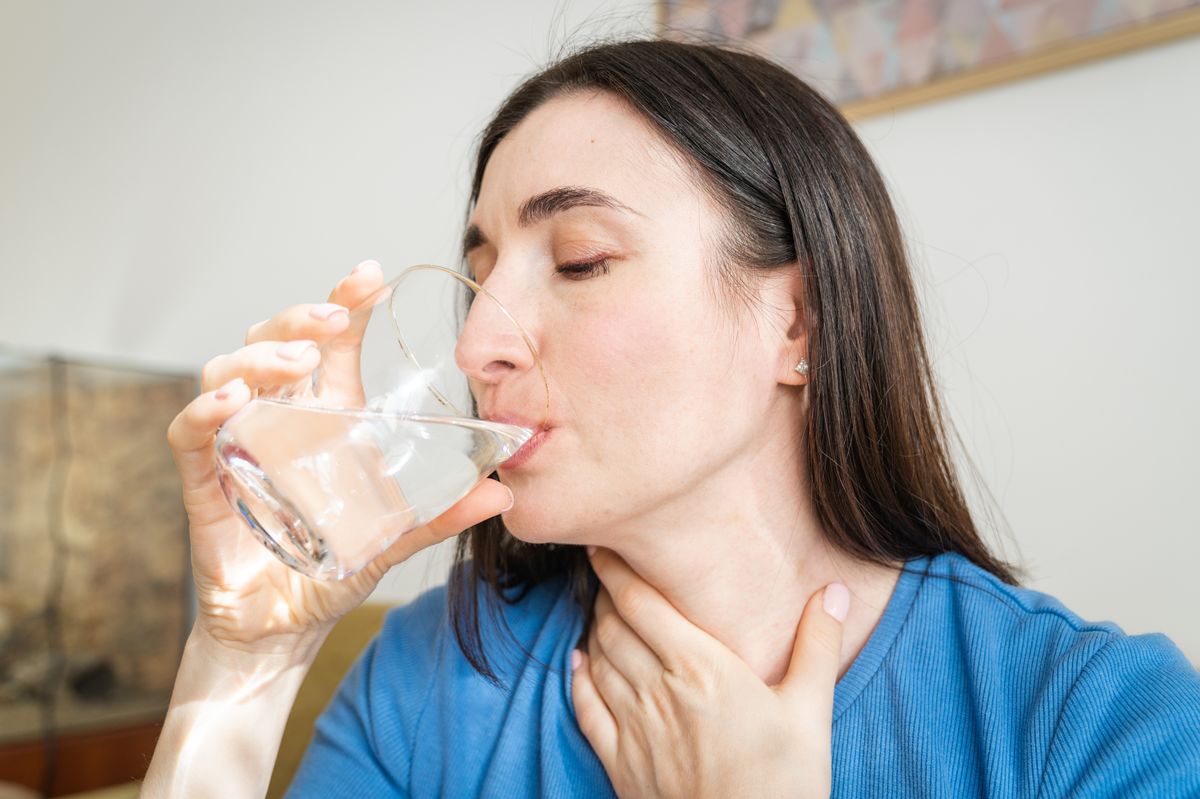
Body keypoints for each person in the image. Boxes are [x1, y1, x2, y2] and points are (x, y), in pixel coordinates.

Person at [142, 38, 1200, 798]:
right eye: (479, 279)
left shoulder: (1095, 722)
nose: (475, 348)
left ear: (802, 323)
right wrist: (246, 664)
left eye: (580, 261)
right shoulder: (433, 678)